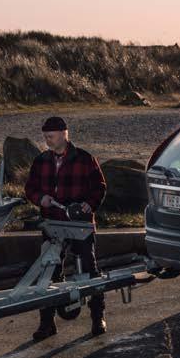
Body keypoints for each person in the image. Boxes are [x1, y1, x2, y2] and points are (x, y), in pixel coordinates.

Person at [24, 116, 108, 341]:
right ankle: (47, 323)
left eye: (50, 137)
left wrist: (88, 205)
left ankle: (97, 318)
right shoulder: (41, 160)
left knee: (90, 269)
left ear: (64, 134)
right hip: (52, 224)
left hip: (80, 224)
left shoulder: (85, 159)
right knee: (48, 271)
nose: (47, 141)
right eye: (45, 137)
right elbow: (29, 188)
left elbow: (100, 187)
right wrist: (39, 198)